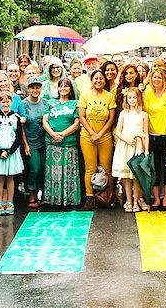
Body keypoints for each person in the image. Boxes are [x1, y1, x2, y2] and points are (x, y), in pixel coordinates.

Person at [77, 69, 117, 209]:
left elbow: (111, 118)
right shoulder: (85, 95)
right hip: (87, 137)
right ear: (92, 80)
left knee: (107, 168)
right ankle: (90, 198)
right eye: (96, 78)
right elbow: (81, 116)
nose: (98, 81)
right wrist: (92, 133)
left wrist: (100, 134)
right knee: (90, 168)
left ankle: (109, 196)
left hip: (105, 137)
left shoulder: (109, 96)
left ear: (104, 80)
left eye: (101, 78)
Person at [142, 64, 166, 210]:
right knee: (154, 168)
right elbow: (144, 112)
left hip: (165, 136)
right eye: (154, 77)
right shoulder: (148, 93)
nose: (156, 80)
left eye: (159, 77)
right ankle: (156, 199)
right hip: (151, 135)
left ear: (164, 79)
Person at [42, 77, 82, 209]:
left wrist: (62, 135)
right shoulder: (50, 103)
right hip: (52, 143)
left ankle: (69, 201)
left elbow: (76, 124)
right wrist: (53, 134)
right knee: (53, 172)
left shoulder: (75, 103)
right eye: (61, 86)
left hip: (69, 143)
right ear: (57, 88)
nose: (63, 88)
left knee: (68, 172)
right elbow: (45, 121)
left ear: (70, 89)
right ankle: (53, 200)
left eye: (66, 86)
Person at [0, 92, 28, 216]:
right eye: (2, 102)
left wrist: (9, 151)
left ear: (11, 102)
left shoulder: (16, 117)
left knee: (10, 177)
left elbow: (19, 136)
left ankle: (10, 202)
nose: (5, 104)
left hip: (11, 152)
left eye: (7, 102)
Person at [111, 86, 150, 212]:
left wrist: (146, 150)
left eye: (135, 98)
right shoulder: (123, 113)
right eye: (130, 98)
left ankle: (136, 200)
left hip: (139, 147)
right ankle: (128, 200)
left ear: (139, 99)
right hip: (125, 145)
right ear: (126, 99)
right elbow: (118, 131)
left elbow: (146, 133)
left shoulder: (144, 114)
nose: (132, 100)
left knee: (137, 175)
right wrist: (126, 139)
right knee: (127, 175)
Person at [21, 77, 50, 209]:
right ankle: (31, 193)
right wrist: (25, 144)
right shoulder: (23, 104)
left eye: (37, 87)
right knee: (34, 169)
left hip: (44, 141)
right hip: (31, 142)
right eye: (32, 87)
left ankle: (44, 193)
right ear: (28, 89)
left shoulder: (45, 103)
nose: (35, 90)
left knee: (45, 169)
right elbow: (21, 126)